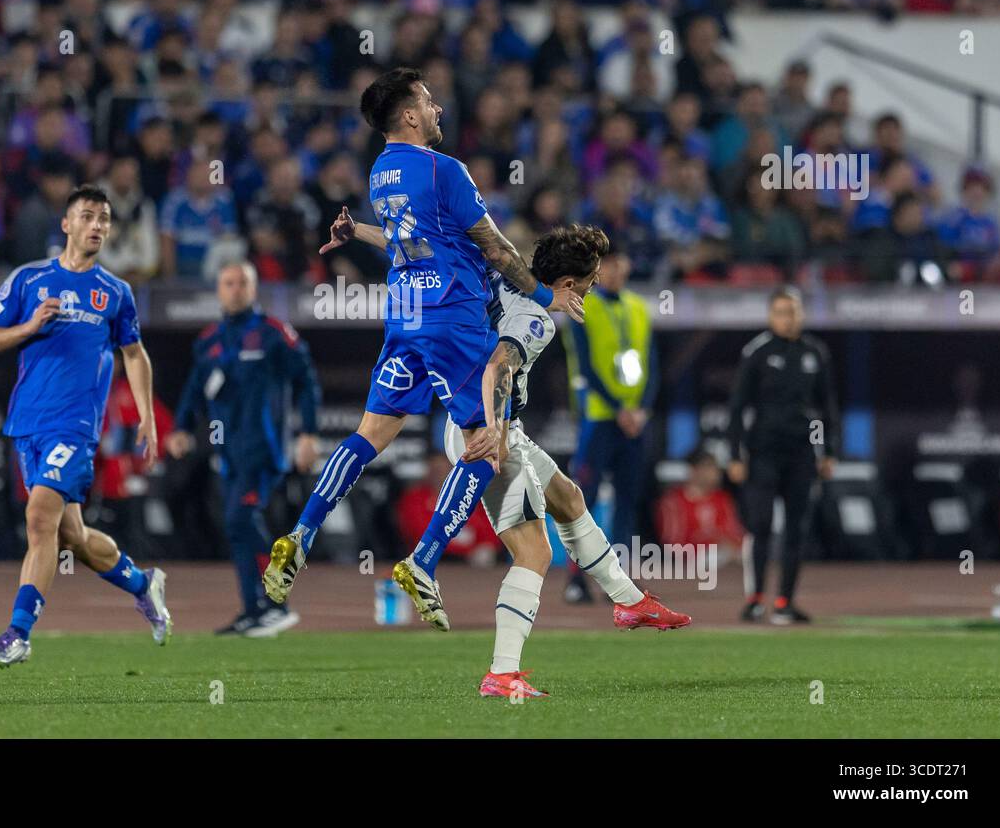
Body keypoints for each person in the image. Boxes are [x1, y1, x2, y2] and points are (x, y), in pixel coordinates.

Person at [262, 67, 584, 630]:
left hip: (405, 312)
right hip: (454, 318)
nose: (437, 110)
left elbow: (410, 238)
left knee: (371, 433)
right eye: (429, 102)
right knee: (489, 440)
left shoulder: (381, 173)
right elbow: (496, 247)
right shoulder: (445, 169)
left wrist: (356, 233)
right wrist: (543, 293)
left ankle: (302, 532)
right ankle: (424, 558)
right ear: (409, 114)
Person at [448, 225, 690, 697]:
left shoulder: (504, 277)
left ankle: (629, 601)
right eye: (591, 279)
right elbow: (497, 366)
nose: (595, 286)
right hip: (488, 431)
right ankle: (501, 673)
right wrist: (494, 432)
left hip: (495, 426)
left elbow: (491, 247)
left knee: (569, 497)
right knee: (534, 552)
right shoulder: (536, 320)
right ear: (567, 285)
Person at [0, 185, 171, 667]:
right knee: (72, 539)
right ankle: (143, 584)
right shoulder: (28, 280)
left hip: (76, 428)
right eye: (88, 216)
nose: (98, 226)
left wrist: (146, 413)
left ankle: (18, 634)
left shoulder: (116, 293)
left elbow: (134, 353)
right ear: (66, 225)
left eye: (104, 218)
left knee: (39, 518)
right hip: (28, 424)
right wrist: (29, 327)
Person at [166, 260, 321, 637]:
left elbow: (306, 381)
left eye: (242, 283)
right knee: (235, 527)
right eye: (228, 283)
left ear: (253, 289)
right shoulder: (208, 340)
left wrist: (308, 434)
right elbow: (193, 390)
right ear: (218, 290)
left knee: (239, 518)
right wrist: (182, 428)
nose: (235, 289)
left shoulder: (273, 333)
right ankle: (253, 609)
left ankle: (277, 602)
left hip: (265, 449)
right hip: (228, 451)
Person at [727, 286, 839, 625]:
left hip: (802, 453)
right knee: (759, 525)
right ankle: (756, 599)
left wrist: (829, 450)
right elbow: (737, 408)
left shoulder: (815, 353)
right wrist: (735, 454)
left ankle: (785, 601)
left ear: (802, 315)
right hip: (763, 452)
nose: (788, 319)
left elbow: (827, 406)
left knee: (796, 528)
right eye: (781, 313)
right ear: (770, 316)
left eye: (793, 312)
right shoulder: (757, 352)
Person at [561, 242, 657, 601]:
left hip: (633, 420)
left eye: (620, 262)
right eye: (608, 265)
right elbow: (586, 367)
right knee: (579, 500)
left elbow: (652, 364)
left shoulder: (638, 307)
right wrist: (620, 408)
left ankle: (616, 581)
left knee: (627, 501)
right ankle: (576, 579)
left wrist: (642, 408)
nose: (616, 270)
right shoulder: (584, 306)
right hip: (599, 417)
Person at [655, 448, 744, 562]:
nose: (715, 473)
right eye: (709, 467)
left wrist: (729, 544)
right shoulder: (673, 502)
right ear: (693, 470)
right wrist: (708, 545)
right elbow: (672, 543)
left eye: (716, 468)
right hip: (690, 562)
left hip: (726, 557)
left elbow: (735, 532)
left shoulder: (722, 498)